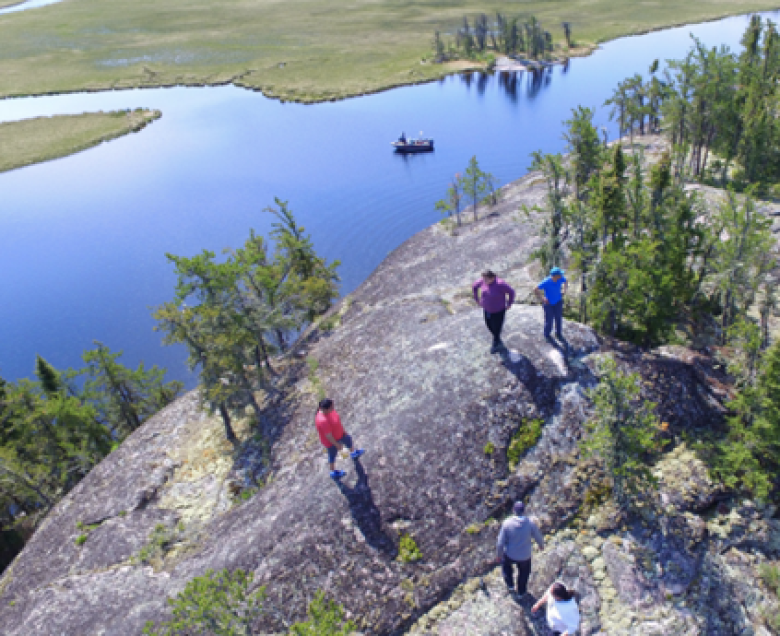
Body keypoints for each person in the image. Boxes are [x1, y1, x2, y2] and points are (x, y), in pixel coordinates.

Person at [496, 502, 544, 597]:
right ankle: (521, 592)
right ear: (523, 511)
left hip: (510, 554)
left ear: (513, 510)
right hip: (525, 555)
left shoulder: (507, 523)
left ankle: (510, 585)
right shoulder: (530, 523)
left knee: (506, 567)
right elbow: (538, 536)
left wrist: (499, 555)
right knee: (524, 573)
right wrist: (541, 545)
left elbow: (500, 543)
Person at [315, 398, 364, 480]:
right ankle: (333, 472)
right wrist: (337, 445)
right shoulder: (322, 421)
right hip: (331, 442)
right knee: (332, 456)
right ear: (325, 409)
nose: (333, 408)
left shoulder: (330, 411)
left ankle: (354, 453)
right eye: (331, 407)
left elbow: (337, 421)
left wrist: (343, 431)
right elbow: (329, 436)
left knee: (348, 440)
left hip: (340, 434)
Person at [472, 270, 516, 353]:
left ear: (492, 278)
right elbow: (474, 286)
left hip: (499, 310)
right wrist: (476, 299)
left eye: (486, 279)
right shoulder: (482, 281)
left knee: (497, 327)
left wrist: (509, 304)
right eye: (483, 278)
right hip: (487, 309)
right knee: (489, 325)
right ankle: (496, 337)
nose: (484, 281)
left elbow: (511, 292)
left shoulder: (500, 284)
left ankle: (496, 342)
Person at [534, 267, 568, 342]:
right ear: (555, 276)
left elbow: (566, 281)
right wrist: (542, 298)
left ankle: (558, 334)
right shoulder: (546, 281)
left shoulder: (560, 278)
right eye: (560, 274)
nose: (561, 275)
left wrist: (564, 290)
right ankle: (547, 335)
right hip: (548, 304)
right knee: (549, 320)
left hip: (558, 302)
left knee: (558, 318)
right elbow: (536, 289)